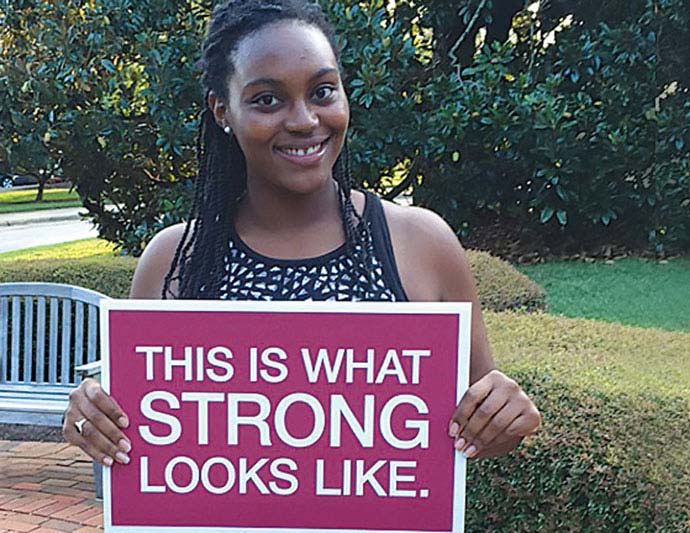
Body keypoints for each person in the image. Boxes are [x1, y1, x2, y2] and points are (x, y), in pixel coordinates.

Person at [62, 0, 540, 470]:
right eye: (267, 99)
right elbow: (136, 432)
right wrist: (94, 416)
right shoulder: (174, 260)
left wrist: (504, 418)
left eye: (322, 91)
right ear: (222, 110)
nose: (304, 120)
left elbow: (474, 428)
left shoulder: (421, 244)